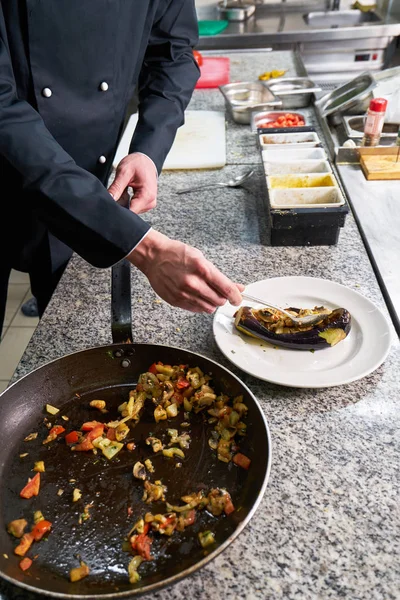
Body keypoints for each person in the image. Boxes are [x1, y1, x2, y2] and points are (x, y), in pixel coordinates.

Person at [0, 1, 243, 335]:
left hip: (87, 178)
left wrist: (148, 149)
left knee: (58, 311)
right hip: (8, 165)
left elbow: (172, 54)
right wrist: (145, 248)